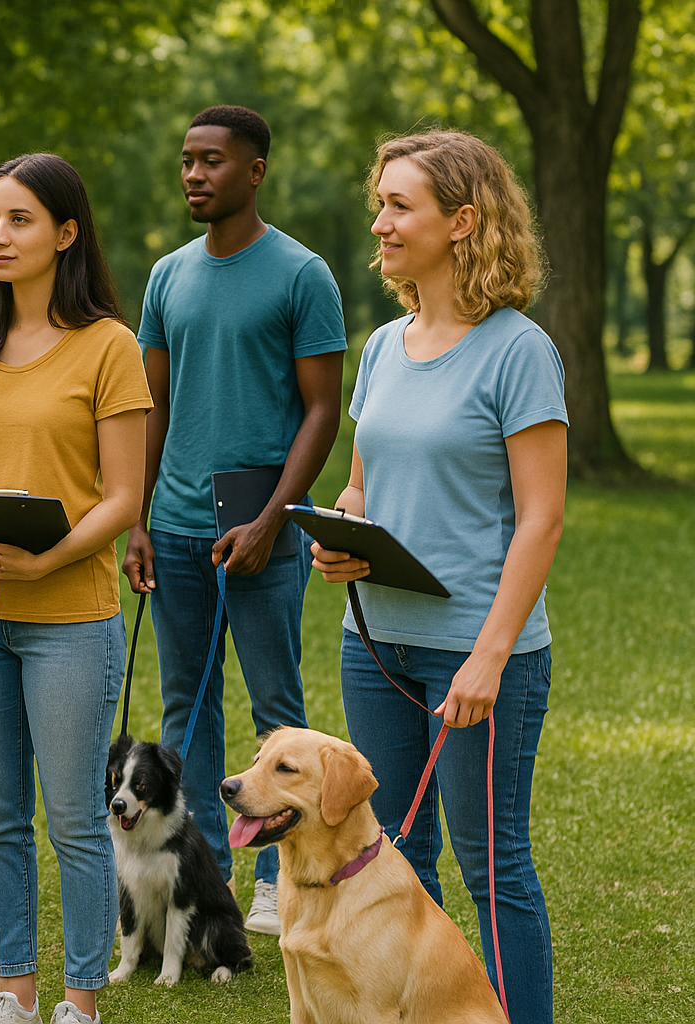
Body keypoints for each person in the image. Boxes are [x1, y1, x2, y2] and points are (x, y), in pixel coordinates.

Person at [312, 129, 564, 1024]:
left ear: (462, 221)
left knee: (493, 869)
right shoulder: (384, 345)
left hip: (475, 655)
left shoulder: (518, 350)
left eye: (397, 204)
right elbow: (361, 482)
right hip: (374, 642)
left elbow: (541, 517)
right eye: (380, 202)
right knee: (395, 858)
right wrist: (338, 530)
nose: (378, 221)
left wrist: (491, 658)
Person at [0, 153, 151, 1024]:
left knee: (75, 824)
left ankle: (79, 1001)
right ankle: (13, 994)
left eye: (19, 220)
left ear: (65, 234)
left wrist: (46, 561)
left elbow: (122, 496)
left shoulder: (109, 347)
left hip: (69, 619)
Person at [121, 105, 347, 934]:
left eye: (211, 160)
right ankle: (203, 878)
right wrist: (138, 518)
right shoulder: (168, 274)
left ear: (254, 170)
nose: (193, 174)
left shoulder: (301, 274)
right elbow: (152, 405)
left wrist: (275, 519)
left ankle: (273, 879)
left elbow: (322, 413)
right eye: (186, 160)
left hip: (263, 532)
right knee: (187, 708)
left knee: (275, 708)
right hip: (176, 531)